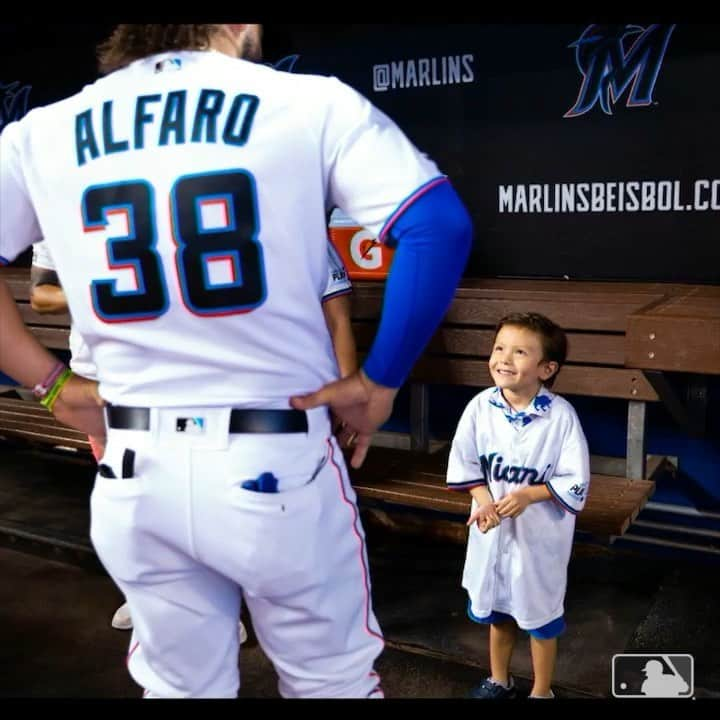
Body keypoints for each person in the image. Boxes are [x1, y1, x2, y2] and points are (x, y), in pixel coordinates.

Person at [0, 23, 472, 698]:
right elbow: (438, 226)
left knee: (181, 688)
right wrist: (378, 382)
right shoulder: (307, 102)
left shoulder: (41, 132)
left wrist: (47, 384)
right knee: (330, 684)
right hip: (275, 458)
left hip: (133, 464)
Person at [30, 236, 356, 639]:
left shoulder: (194, 199)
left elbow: (328, 312)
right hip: (102, 376)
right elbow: (41, 291)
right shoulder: (57, 202)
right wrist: (100, 289)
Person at [446, 313, 590, 700]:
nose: (504, 358)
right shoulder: (480, 407)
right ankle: (499, 680)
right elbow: (466, 464)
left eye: (520, 351)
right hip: (492, 532)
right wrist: (484, 501)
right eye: (499, 348)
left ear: (547, 368)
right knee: (498, 613)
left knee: (540, 620)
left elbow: (575, 480)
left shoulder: (561, 417)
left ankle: (541, 691)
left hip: (538, 538)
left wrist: (529, 494)